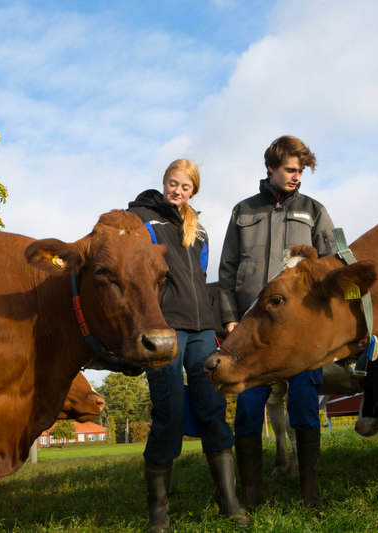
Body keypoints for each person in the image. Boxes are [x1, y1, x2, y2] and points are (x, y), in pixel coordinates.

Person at [128, 159, 250, 532]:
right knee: (169, 411)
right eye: (172, 183)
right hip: (166, 329)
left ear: (193, 191)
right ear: (164, 182)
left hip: (202, 331)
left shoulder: (199, 233)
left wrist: (214, 326)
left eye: (185, 187)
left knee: (213, 407)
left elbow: (200, 278)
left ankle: (229, 502)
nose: (177, 191)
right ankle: (158, 516)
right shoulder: (143, 220)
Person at [218, 135, 336, 510]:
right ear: (271, 166)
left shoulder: (314, 210)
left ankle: (309, 493)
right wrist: (231, 320)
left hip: (301, 333)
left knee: (303, 404)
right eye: (290, 169)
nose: (296, 177)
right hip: (252, 332)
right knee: (249, 409)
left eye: (300, 171)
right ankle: (251, 496)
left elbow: (332, 267)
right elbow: (227, 272)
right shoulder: (243, 211)